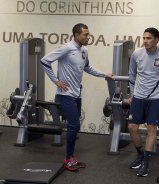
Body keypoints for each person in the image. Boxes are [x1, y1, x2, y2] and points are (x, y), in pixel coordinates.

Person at [40, 23, 113, 172]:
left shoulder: (84, 50)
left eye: (88, 34)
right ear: (76, 35)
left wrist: (104, 74)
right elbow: (45, 61)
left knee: (75, 126)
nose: (88, 37)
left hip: (76, 93)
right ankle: (68, 158)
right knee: (74, 125)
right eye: (85, 34)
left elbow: (87, 68)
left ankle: (72, 157)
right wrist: (56, 81)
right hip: (64, 94)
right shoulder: (66, 48)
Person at [127, 27, 159, 177]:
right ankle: (140, 154)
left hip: (155, 99)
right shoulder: (137, 54)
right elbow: (131, 75)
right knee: (132, 127)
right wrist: (131, 94)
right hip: (138, 97)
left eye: (149, 38)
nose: (145, 41)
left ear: (157, 40)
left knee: (151, 130)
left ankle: (146, 163)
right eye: (144, 38)